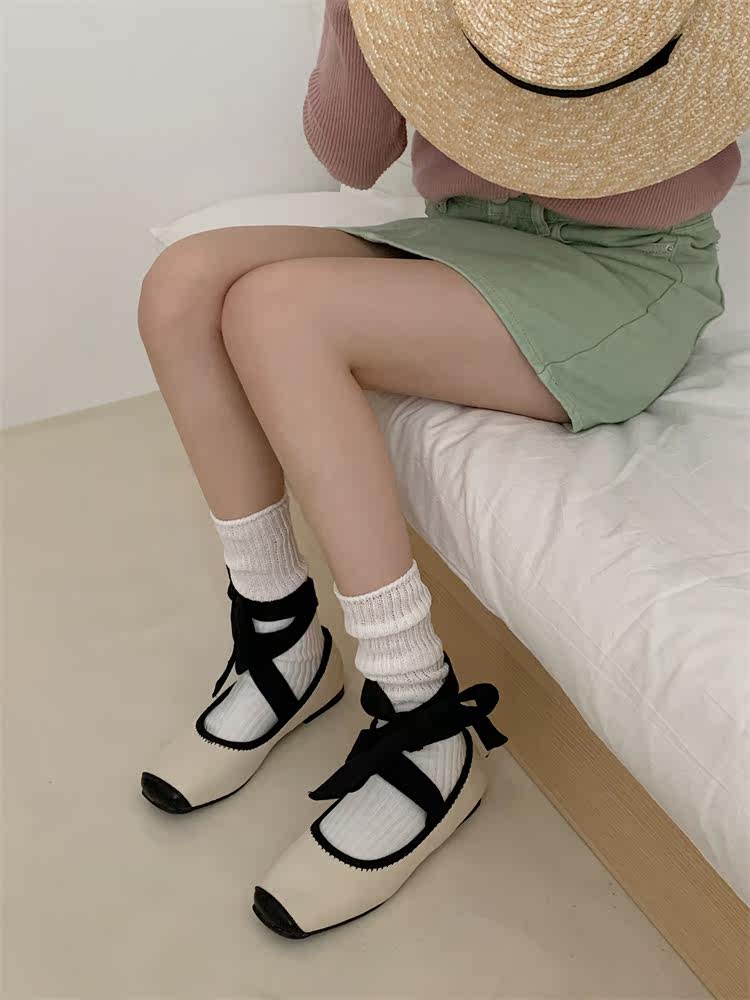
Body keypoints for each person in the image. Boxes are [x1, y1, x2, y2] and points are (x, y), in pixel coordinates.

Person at [137, 0, 747, 938]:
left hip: (630, 267)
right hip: (471, 237)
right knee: (181, 285)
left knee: (278, 315)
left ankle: (422, 717)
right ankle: (281, 638)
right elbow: (352, 157)